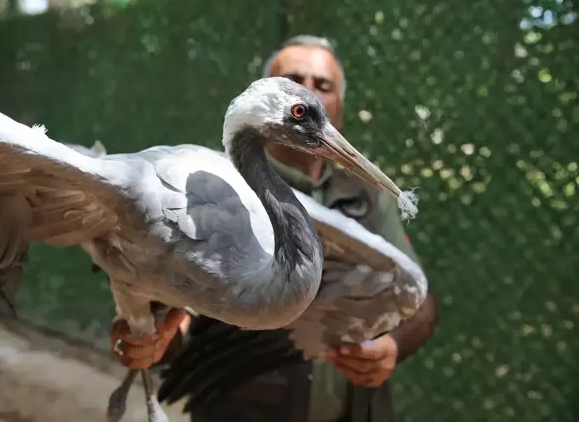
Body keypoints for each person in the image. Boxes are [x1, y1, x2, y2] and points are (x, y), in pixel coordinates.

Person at [111, 35, 439, 422]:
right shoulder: (215, 187)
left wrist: (392, 347)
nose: (308, 89)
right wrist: (157, 335)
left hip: (352, 409)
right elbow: (181, 295)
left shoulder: (367, 196)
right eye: (295, 80)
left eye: (323, 85)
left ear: (338, 108)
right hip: (243, 406)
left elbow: (417, 302)